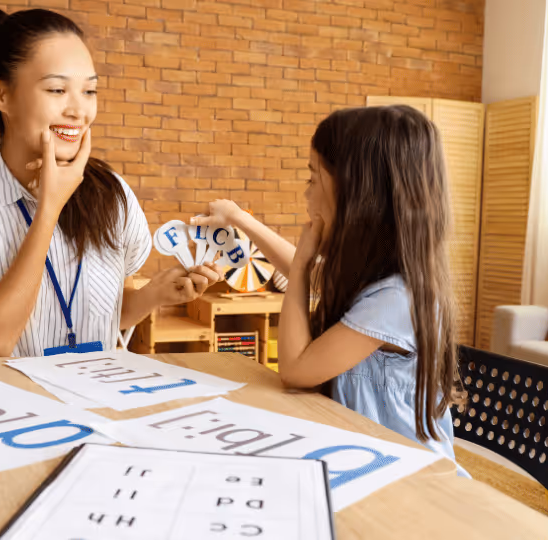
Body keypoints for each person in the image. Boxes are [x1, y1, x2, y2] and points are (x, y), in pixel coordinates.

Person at [0, 8, 221, 359]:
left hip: (86, 401)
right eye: (57, 89)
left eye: (89, 91)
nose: (78, 110)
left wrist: (154, 295)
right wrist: (48, 209)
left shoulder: (112, 194)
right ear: (0, 94)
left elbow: (101, 314)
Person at [194, 105, 466, 473]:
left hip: (409, 474)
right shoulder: (380, 279)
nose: (306, 196)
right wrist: (241, 219)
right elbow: (297, 267)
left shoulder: (398, 298)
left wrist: (305, 262)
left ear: (359, 195)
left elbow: (295, 369)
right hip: (358, 449)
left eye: (312, 179)